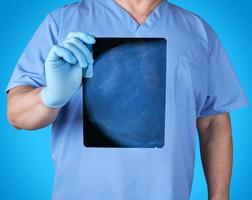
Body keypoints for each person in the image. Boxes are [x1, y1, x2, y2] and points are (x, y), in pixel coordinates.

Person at [6, 0, 248, 199]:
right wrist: (50, 97)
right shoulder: (61, 23)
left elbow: (213, 122)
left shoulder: (198, 32)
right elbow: (16, 115)